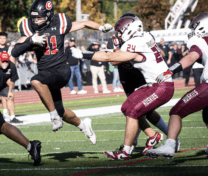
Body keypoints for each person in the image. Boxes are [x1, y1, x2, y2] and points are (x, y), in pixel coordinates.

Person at [71, 15, 174, 160]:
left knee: (134, 111)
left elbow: (109, 58)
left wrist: (84, 54)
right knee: (126, 107)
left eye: (120, 31)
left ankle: (126, 151)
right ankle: (151, 137)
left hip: (161, 86)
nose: (118, 35)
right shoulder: (145, 36)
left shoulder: (134, 43)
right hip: (153, 84)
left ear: (129, 29)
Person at [12, 0, 113, 144]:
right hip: (46, 74)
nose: (35, 21)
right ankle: (84, 125)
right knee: (62, 111)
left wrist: (100, 27)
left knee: (35, 81)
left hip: (61, 70)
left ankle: (53, 116)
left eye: (39, 18)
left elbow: (84, 23)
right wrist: (31, 41)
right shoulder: (29, 28)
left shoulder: (59, 22)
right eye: (33, 17)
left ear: (48, 16)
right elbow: (14, 51)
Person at [105, 14, 179, 156]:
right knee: (131, 109)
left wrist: (89, 55)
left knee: (141, 111)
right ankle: (145, 139)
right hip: (127, 76)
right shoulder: (119, 39)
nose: (118, 35)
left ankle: (154, 139)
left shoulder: (140, 38)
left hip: (141, 76)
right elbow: (113, 60)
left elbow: (113, 59)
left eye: (120, 31)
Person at [146, 12, 208, 158]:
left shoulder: (200, 40)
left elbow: (192, 56)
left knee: (176, 111)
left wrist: (170, 71)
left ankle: (169, 145)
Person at [0, 52, 23, 123]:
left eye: (6, 61)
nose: (5, 63)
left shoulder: (12, 66)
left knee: (10, 96)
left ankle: (12, 118)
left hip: (2, 85)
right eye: (3, 61)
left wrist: (10, 91)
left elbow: (13, 79)